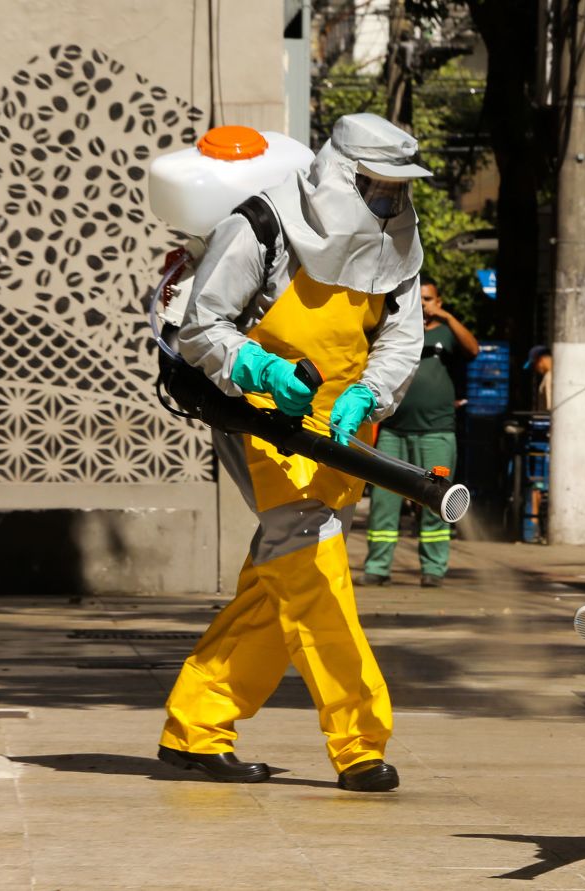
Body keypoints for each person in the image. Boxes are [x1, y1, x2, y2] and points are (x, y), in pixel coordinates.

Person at [157, 113, 429, 793]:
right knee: (314, 570)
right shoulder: (261, 224)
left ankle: (196, 723)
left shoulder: (399, 243)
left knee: (278, 579)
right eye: (376, 188)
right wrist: (259, 369)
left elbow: (400, 337)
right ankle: (360, 741)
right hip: (264, 422)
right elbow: (202, 325)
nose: (389, 203)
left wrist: (370, 393)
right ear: (342, 175)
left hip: (343, 430)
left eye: (398, 190)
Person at [362, 276, 478, 587]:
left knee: (437, 502)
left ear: (438, 303)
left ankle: (434, 569)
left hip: (436, 433)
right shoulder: (399, 331)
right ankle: (377, 566)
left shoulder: (446, 333)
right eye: (420, 298)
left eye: (428, 299)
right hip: (393, 432)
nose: (423, 304)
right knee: (384, 503)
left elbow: (473, 349)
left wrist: (449, 318)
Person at [525, 344, 552, 411]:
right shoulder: (553, 375)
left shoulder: (549, 377)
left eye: (534, 364)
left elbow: (550, 407)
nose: (535, 368)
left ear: (541, 360)